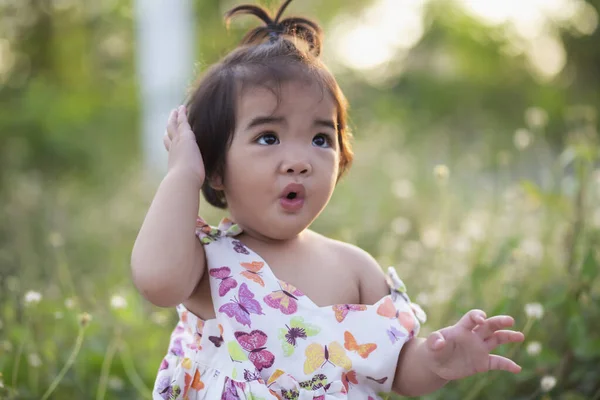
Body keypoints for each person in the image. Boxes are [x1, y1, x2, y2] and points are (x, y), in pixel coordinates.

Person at [131, 1, 525, 399]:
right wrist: (182, 174)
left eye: (321, 139)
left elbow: (398, 368)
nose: (300, 162)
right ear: (215, 167)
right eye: (268, 137)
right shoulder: (208, 261)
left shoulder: (354, 269)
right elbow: (157, 281)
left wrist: (438, 361)